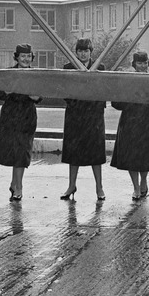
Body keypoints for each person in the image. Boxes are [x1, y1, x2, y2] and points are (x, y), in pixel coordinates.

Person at [110, 51, 149, 200]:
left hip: (147, 122)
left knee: (145, 156)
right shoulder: (127, 81)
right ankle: (135, 187)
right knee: (131, 157)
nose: (142, 66)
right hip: (130, 122)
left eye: (144, 63)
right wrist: (128, 103)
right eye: (139, 63)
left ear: (148, 63)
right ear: (134, 65)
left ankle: (144, 181)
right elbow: (115, 101)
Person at [60, 38, 107, 201]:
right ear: (76, 52)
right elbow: (65, 91)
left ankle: (99, 188)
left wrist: (93, 104)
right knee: (73, 153)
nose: (83, 54)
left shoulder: (99, 68)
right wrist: (78, 102)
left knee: (96, 153)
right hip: (75, 116)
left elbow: (103, 91)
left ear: (90, 52)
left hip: (94, 117)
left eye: (86, 51)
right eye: (80, 51)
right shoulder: (68, 68)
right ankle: (71, 185)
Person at [0, 44, 42, 201]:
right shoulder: (9, 73)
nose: (26, 59)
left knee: (22, 151)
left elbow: (41, 95)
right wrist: (7, 91)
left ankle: (18, 187)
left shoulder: (36, 75)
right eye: (23, 56)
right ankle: (15, 183)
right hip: (10, 116)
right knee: (14, 151)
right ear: (17, 57)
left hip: (27, 116)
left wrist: (35, 96)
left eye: (28, 56)